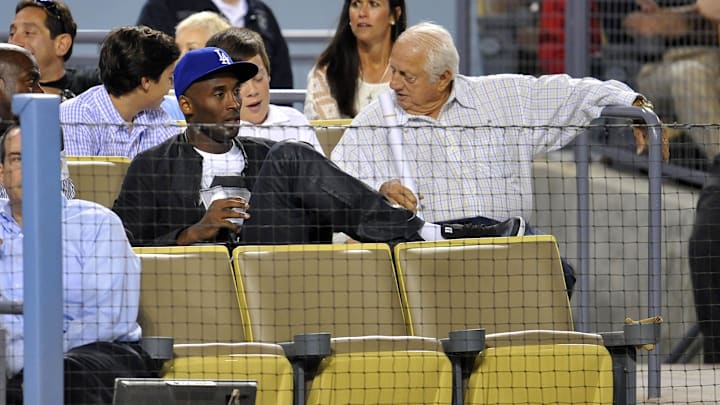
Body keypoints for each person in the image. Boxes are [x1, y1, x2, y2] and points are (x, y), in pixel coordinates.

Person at [332, 22, 670, 295]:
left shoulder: (504, 98)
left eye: (407, 76)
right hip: (430, 259)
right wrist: (376, 197)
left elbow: (575, 92)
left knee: (559, 271)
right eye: (393, 71)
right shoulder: (375, 124)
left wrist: (635, 105)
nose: (393, 84)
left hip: (508, 251)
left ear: (444, 78)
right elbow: (335, 193)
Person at [112, 47, 524, 248]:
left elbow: (316, 213)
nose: (235, 103)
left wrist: (369, 199)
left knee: (289, 154)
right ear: (186, 104)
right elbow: (123, 246)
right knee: (290, 155)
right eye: (219, 94)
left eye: (236, 92)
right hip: (209, 280)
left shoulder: (262, 153)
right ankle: (429, 233)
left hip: (277, 265)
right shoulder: (152, 166)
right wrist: (193, 232)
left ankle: (426, 230)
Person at [0, 125, 155, 405]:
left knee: (62, 376)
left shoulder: (97, 223)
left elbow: (105, 318)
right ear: (2, 172)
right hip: (8, 363)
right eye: (18, 159)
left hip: (93, 356)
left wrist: (28, 362)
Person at [59, 26, 180, 158]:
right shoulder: (77, 117)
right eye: (169, 77)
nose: (171, 85)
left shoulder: (157, 117)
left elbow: (176, 169)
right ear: (146, 82)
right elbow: (75, 178)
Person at [622, 0, 720, 160]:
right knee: (689, 73)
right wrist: (698, 14)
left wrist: (690, 14)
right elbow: (646, 25)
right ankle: (718, 158)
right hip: (658, 71)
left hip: (712, 61)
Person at [206, 27, 324, 154]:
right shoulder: (208, 132)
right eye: (239, 85)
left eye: (258, 78)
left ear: (268, 76)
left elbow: (319, 172)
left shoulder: (296, 121)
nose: (252, 91)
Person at [136, 0, 293, 90]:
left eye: (191, 49)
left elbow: (282, 78)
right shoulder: (164, 6)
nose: (181, 59)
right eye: (179, 50)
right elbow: (144, 65)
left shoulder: (262, 14)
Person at [304, 0, 406, 120]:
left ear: (394, 14)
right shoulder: (327, 73)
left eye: (373, 4)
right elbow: (327, 134)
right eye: (356, 4)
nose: (362, 13)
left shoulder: (412, 71)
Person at [0, 43, 74, 199]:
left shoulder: (43, 133)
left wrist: (55, 146)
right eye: (30, 83)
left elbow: (66, 200)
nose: (41, 92)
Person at [8, 0, 100, 99]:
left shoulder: (96, 87)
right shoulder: (5, 91)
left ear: (62, 44)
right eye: (12, 33)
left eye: (28, 33)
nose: (14, 42)